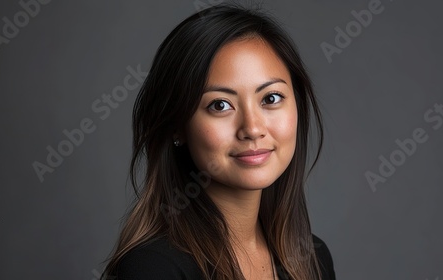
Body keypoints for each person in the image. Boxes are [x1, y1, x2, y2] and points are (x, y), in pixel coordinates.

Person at [103, 4, 336, 280]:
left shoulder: (312, 257)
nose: (252, 128)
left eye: (270, 98)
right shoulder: (153, 268)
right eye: (220, 105)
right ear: (178, 126)